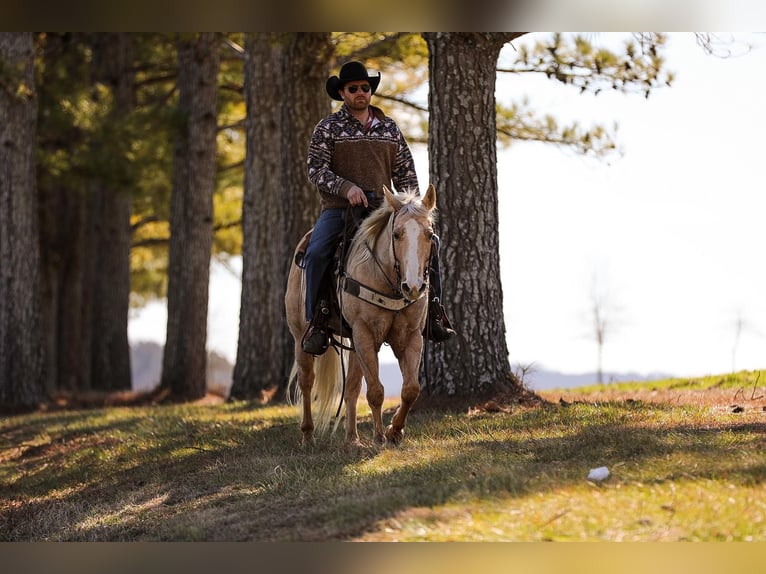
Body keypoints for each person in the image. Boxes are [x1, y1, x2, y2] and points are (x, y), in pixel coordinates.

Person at [301, 60, 455, 355]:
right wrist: (347, 188)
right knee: (318, 251)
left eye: (365, 88)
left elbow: (405, 171)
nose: (360, 92)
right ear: (342, 93)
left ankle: (433, 312)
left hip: (384, 210)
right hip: (340, 210)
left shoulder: (389, 128)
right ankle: (318, 321)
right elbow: (316, 169)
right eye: (353, 88)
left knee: (429, 243)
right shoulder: (328, 127)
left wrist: (412, 207)